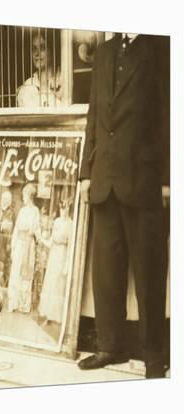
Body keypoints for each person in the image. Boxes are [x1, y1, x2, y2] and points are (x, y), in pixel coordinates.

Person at [77, 33, 170, 378]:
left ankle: (154, 357)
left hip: (144, 180)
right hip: (104, 180)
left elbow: (170, 115)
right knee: (106, 271)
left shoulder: (162, 47)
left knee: (149, 271)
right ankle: (109, 346)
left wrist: (168, 179)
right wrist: (86, 172)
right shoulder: (103, 52)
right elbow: (94, 113)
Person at [7, 183, 41, 313]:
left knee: (26, 274)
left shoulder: (35, 211)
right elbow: (16, 229)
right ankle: (13, 303)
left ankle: (24, 305)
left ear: (30, 196)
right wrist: (13, 245)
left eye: (25, 195)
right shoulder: (22, 211)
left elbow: (37, 230)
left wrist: (39, 237)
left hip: (29, 245)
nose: (23, 198)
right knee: (16, 272)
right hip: (20, 244)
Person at [38, 200, 73, 325]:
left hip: (62, 255)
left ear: (69, 209)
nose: (64, 211)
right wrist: (42, 239)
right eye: (62, 209)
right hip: (53, 254)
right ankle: (48, 314)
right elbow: (51, 241)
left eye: (66, 209)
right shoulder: (57, 221)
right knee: (50, 282)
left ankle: (56, 316)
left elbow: (70, 247)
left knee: (58, 285)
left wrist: (66, 266)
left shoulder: (71, 224)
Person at [17, 32, 62, 108]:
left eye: (42, 48)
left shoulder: (65, 80)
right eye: (34, 49)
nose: (37, 54)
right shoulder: (26, 87)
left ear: (52, 50)